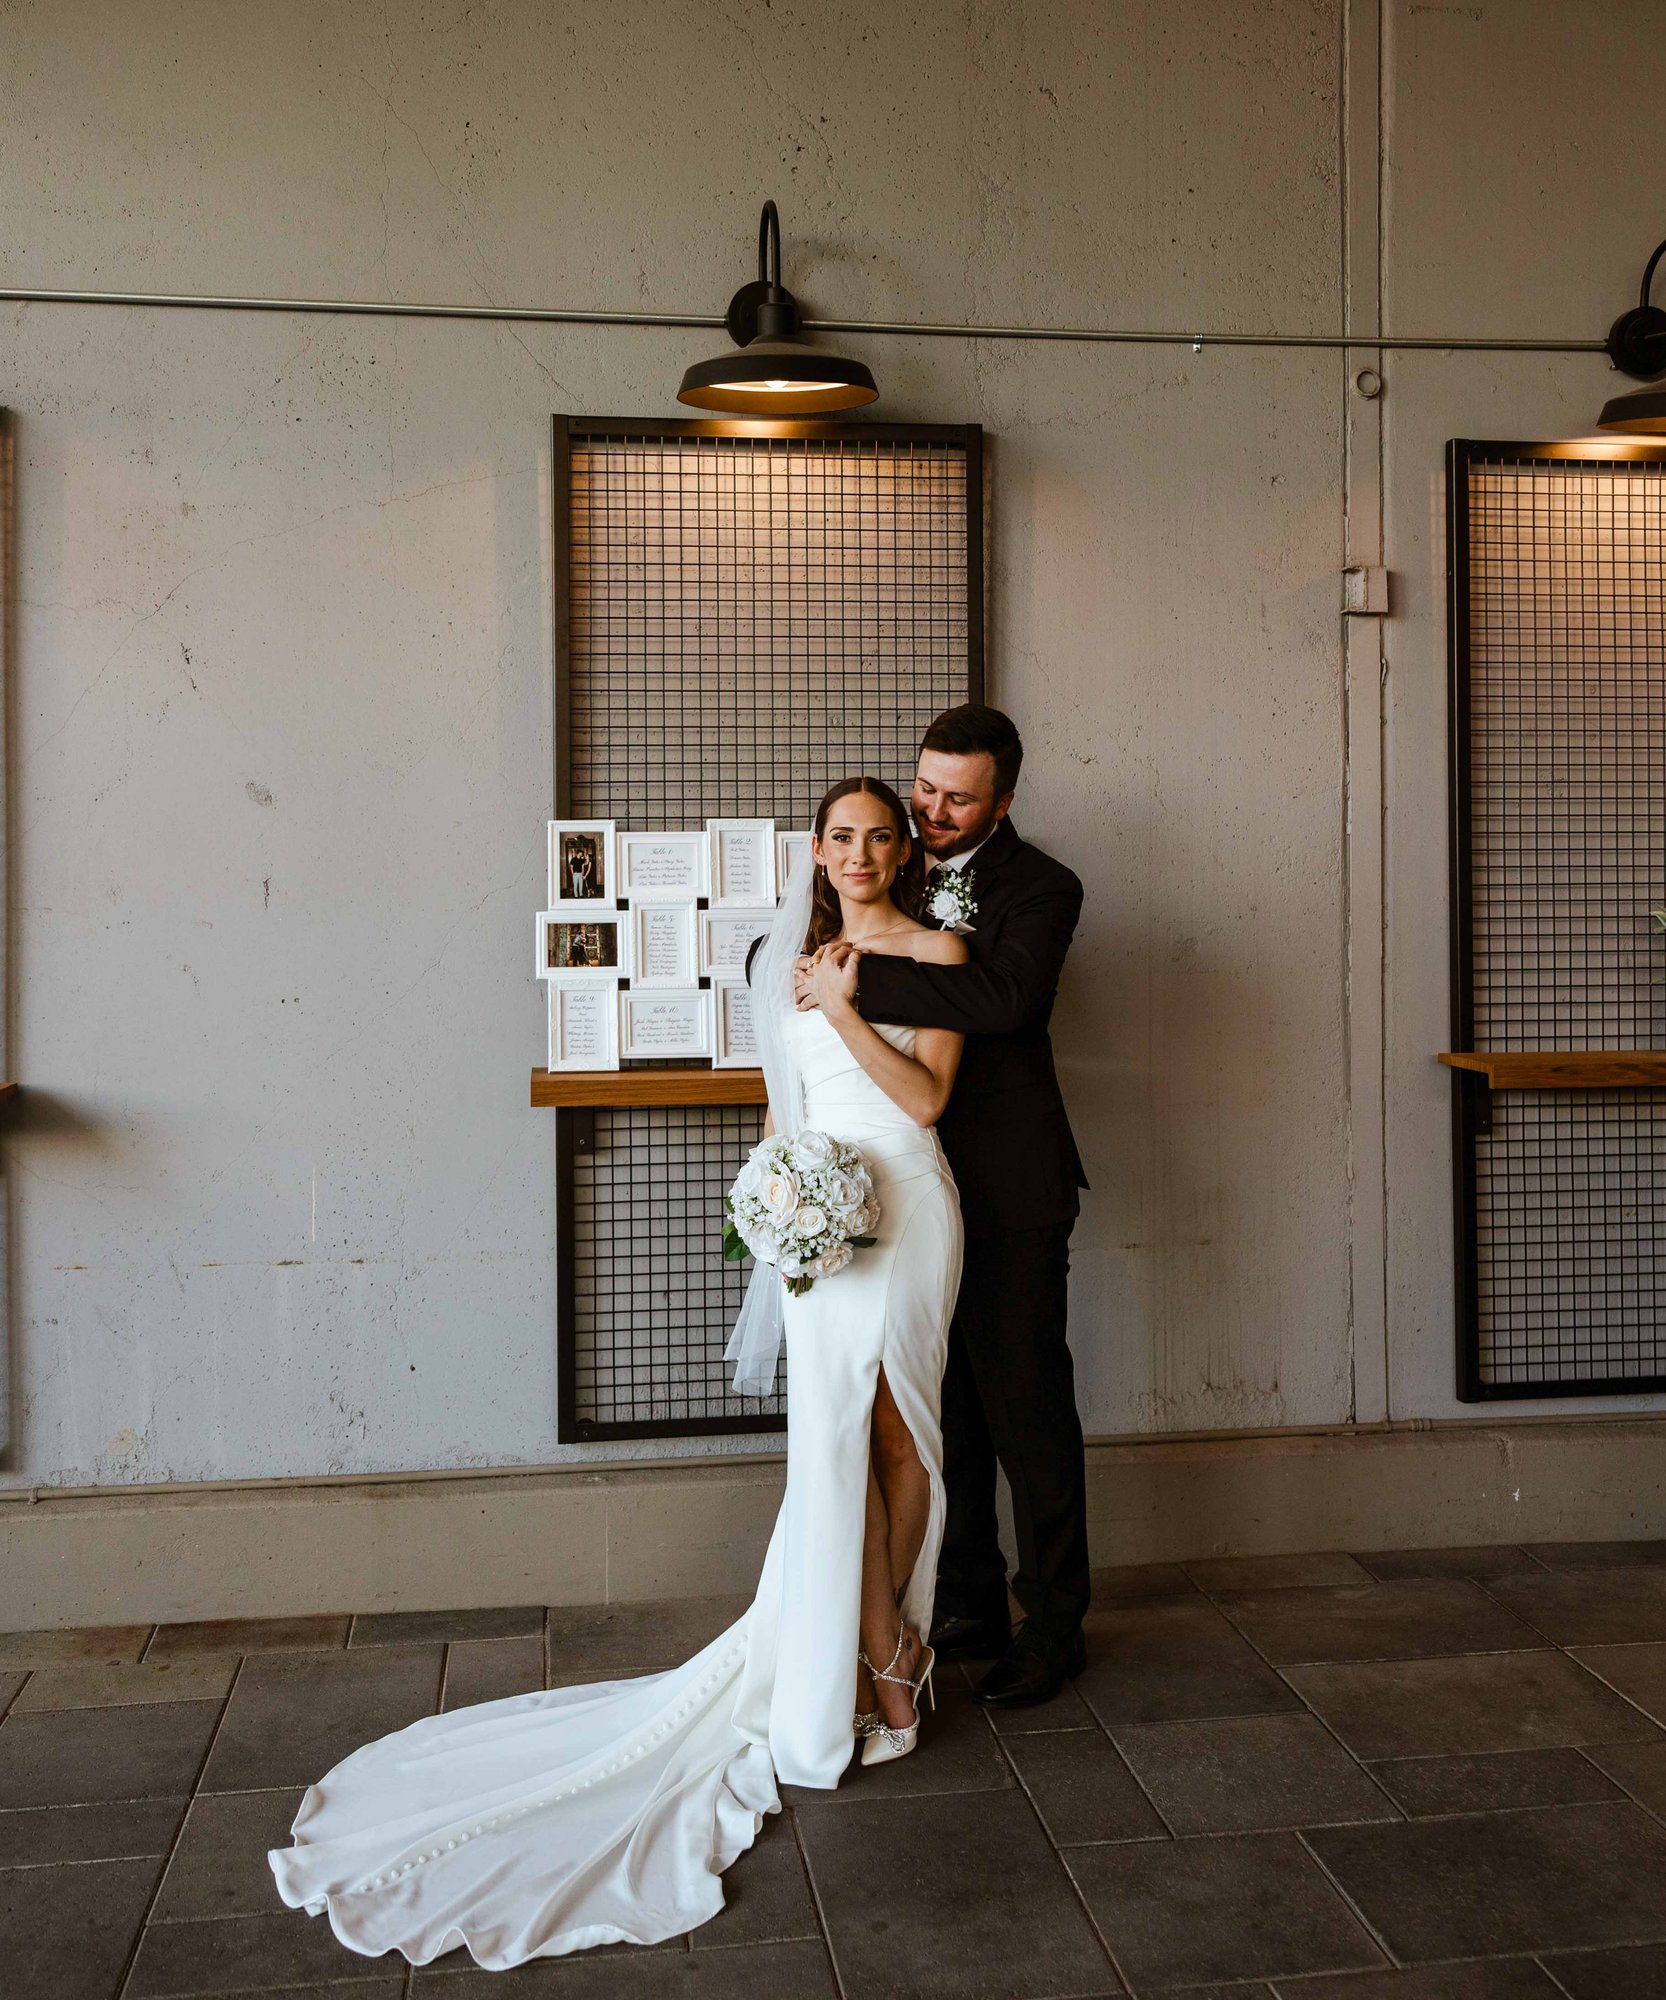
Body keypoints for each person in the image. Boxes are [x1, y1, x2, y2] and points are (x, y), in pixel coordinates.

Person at [267, 775, 965, 1969]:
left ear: (903, 852)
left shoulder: (938, 948)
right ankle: (885, 1667)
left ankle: (885, 1640)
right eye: (839, 836)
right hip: (823, 1216)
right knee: (835, 1447)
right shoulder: (777, 952)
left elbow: (928, 1092)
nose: (858, 853)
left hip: (912, 1200)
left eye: (879, 836)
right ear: (815, 848)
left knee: (907, 1440)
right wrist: (778, 1207)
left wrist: (847, 1008)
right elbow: (776, 1108)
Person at [804, 704, 1089, 1708]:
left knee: (1026, 1411)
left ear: (1003, 800)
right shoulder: (905, 866)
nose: (929, 809)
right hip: (906, 1189)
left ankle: (1054, 1627)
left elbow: (1006, 1003)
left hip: (1009, 1188)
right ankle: (965, 1597)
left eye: (956, 798)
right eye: (922, 787)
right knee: (943, 1410)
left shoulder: (1046, 886)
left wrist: (844, 979)